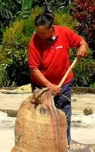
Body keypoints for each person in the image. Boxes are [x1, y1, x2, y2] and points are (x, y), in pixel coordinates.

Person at [27, 10, 88, 144]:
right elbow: (34, 69)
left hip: (63, 84)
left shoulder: (64, 32)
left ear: (51, 28)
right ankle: (44, 147)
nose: (40, 35)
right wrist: (49, 86)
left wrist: (83, 46)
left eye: (43, 32)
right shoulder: (35, 42)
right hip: (42, 87)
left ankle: (64, 147)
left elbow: (80, 41)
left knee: (63, 116)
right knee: (42, 118)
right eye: (38, 31)